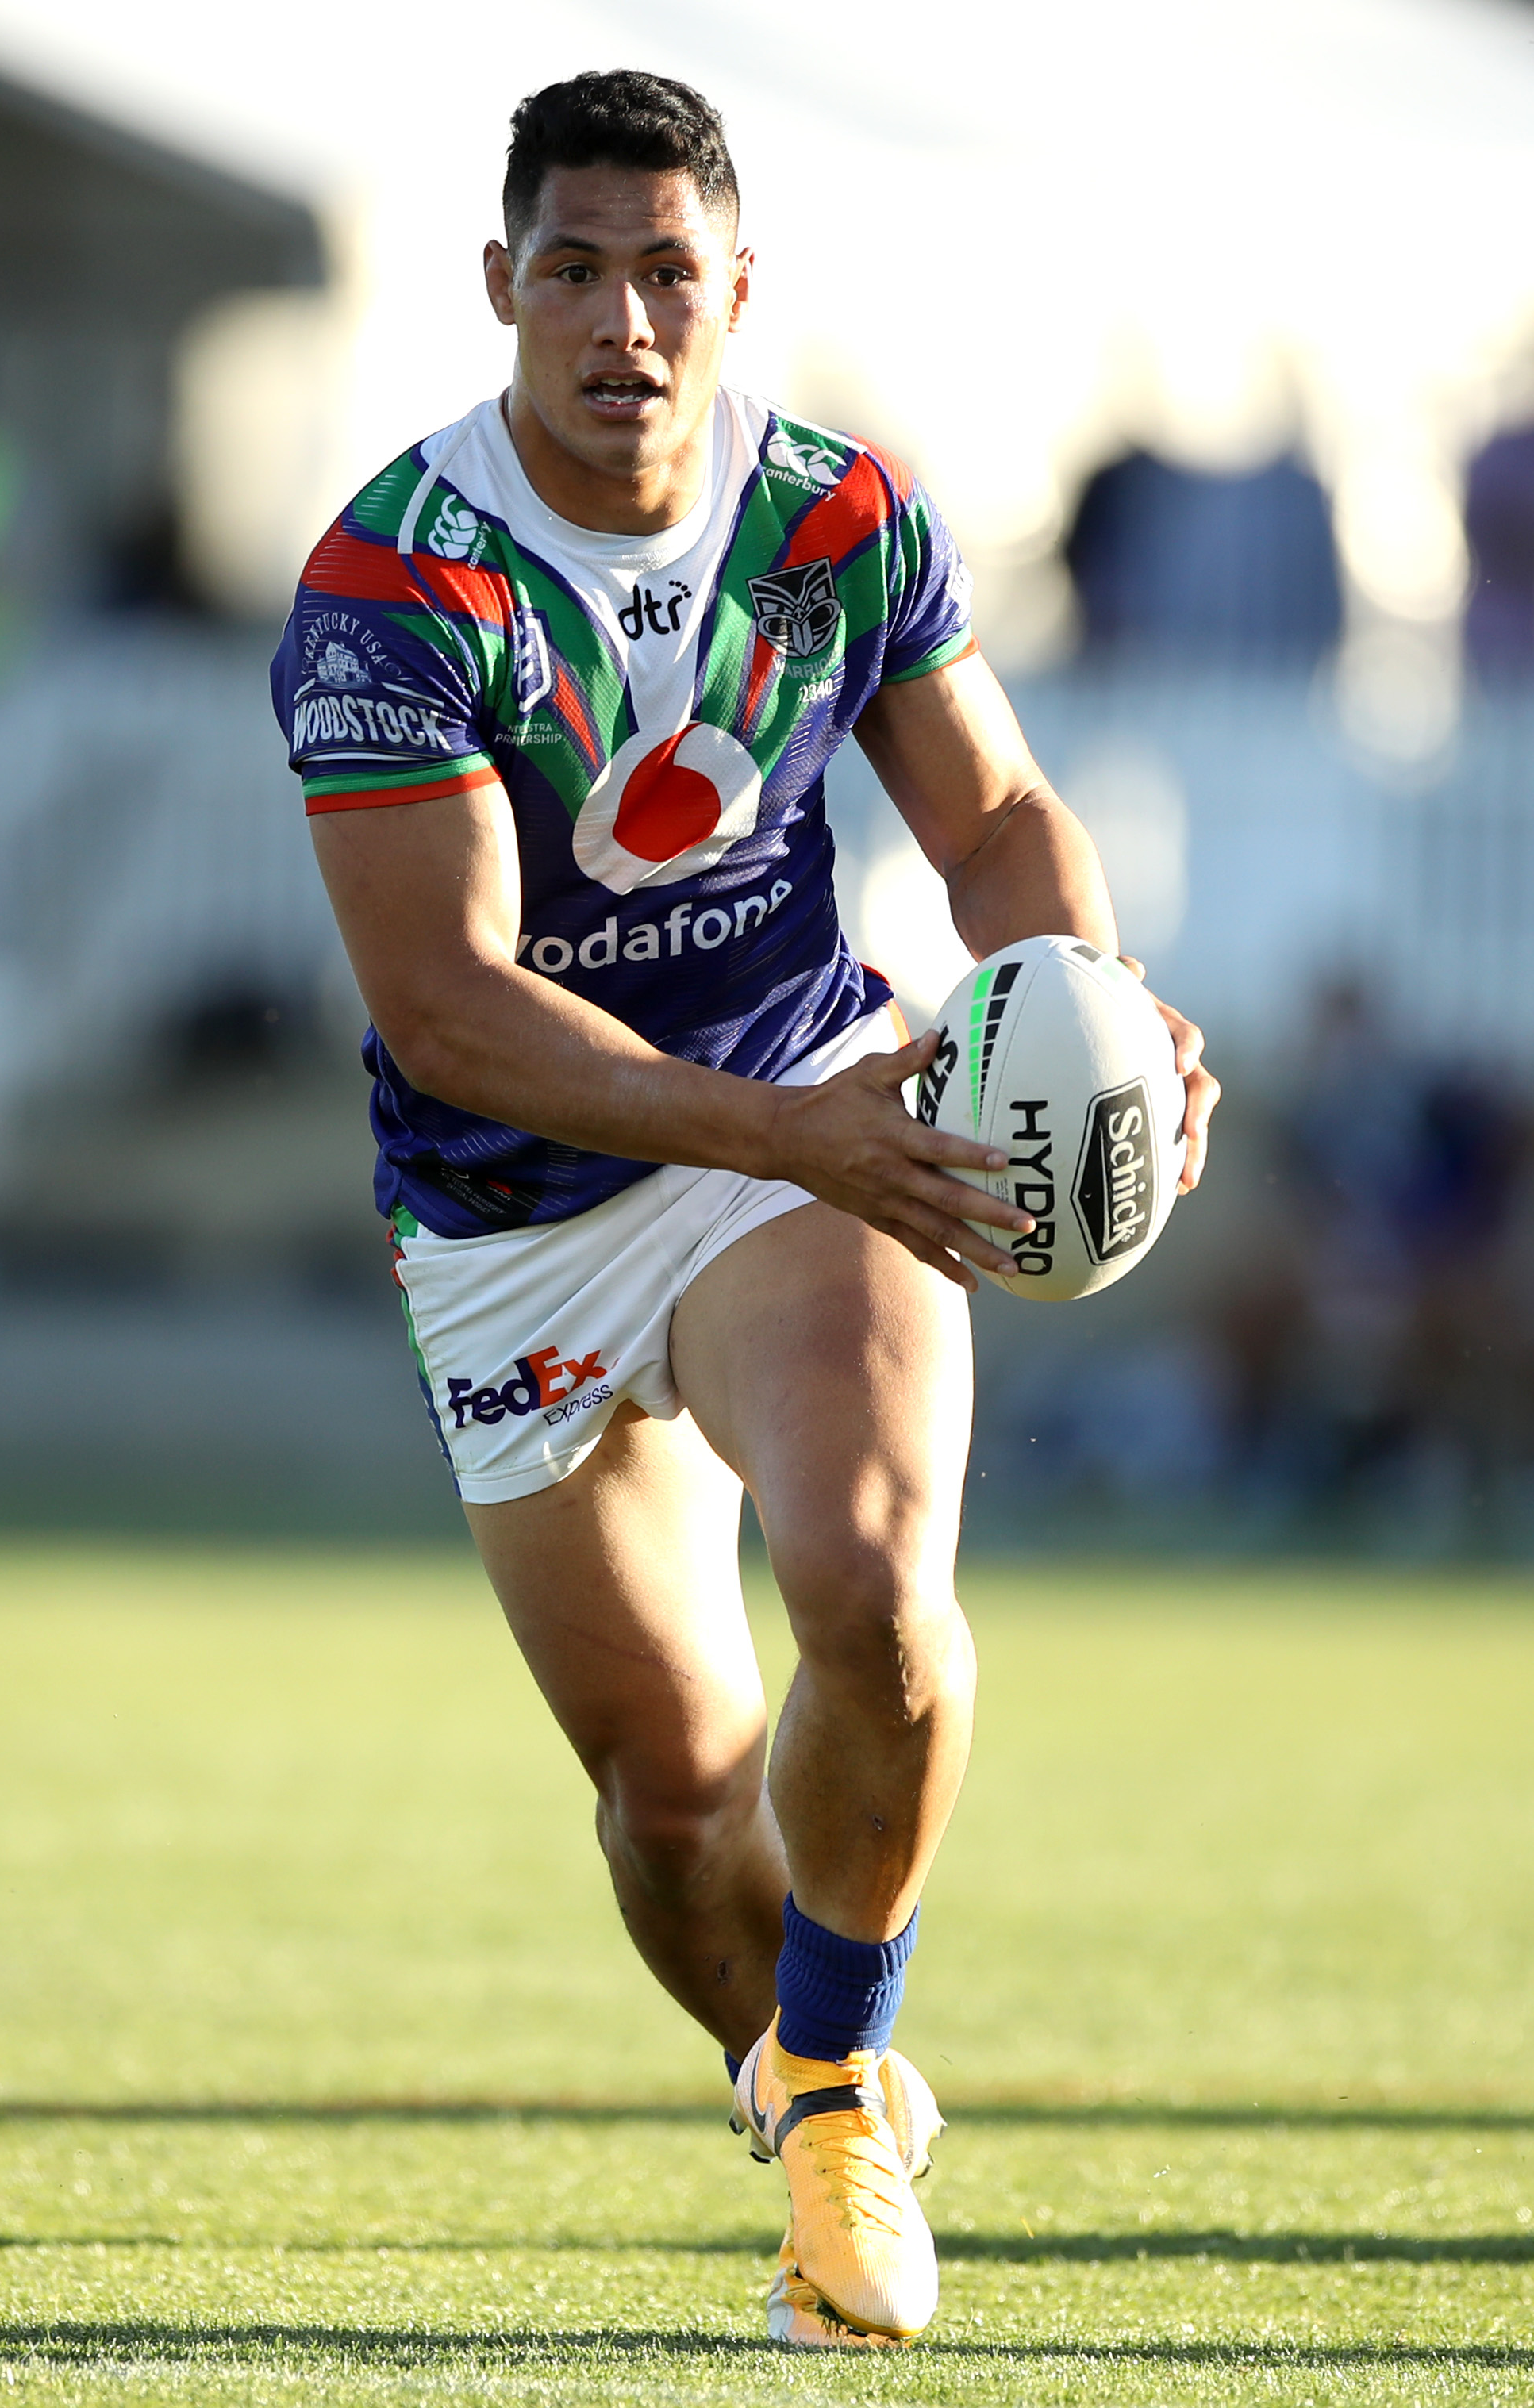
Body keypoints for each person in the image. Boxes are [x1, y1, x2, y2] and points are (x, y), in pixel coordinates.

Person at [271, 67, 1218, 2348]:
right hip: (518, 1205)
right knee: (681, 1811)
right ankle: (801, 2078)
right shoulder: (394, 585)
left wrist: (1086, 1015)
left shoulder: (837, 517)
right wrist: (792, 1138)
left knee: (876, 1602)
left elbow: (999, 825)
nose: (624, 321)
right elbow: (449, 1009)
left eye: (667, 272)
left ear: (737, 287)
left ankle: (835, 2085)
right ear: (501, 285)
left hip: (804, 1101)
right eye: (575, 271)